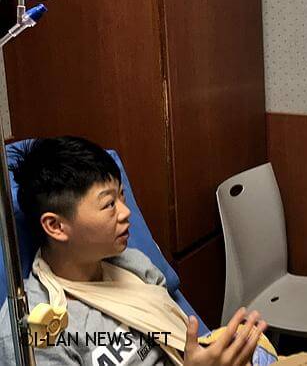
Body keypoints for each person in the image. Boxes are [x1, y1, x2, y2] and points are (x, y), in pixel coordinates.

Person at [0, 136, 269, 365]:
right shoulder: (37, 330)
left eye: (122, 196)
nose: (126, 212)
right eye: (109, 204)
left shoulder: (132, 264)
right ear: (56, 226)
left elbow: (177, 341)